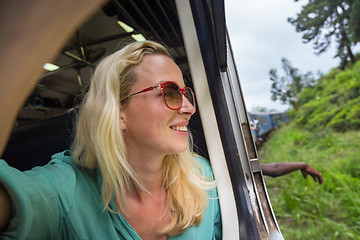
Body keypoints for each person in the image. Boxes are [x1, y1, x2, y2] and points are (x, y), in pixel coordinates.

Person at [0, 41, 222, 239]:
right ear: (118, 112)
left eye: (185, 93)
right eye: (170, 92)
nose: (189, 108)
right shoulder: (66, 188)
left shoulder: (205, 178)